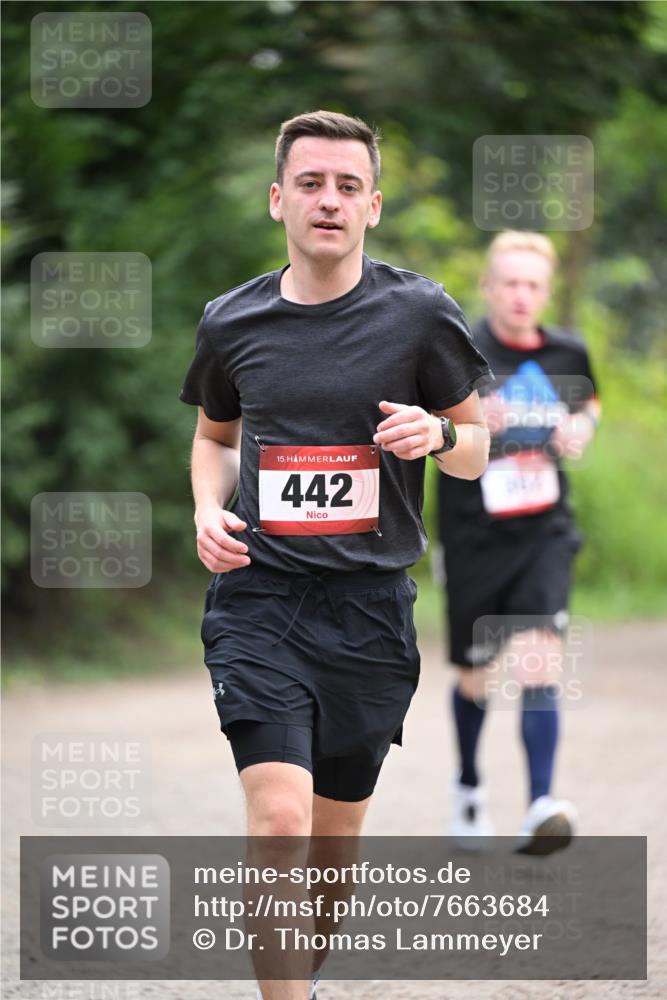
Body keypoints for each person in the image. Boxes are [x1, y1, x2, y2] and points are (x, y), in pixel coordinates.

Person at [179, 110, 492, 999]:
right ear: (278, 197)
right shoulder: (231, 321)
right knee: (278, 819)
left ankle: (300, 975)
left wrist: (433, 431)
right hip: (260, 598)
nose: (328, 200)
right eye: (311, 183)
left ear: (373, 206)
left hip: (368, 612)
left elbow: (476, 450)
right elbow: (214, 438)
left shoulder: (419, 314)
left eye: (347, 186)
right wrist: (208, 507)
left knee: (329, 852)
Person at [437, 231, 600, 856]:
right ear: (488, 287)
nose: (521, 295)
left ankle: (539, 805)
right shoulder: (458, 350)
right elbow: (424, 426)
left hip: (544, 530)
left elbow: (589, 407)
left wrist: (578, 428)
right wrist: (470, 423)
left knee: (538, 657)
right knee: (476, 672)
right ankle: (470, 788)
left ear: (546, 291)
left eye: (533, 285)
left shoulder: (567, 349)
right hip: (473, 533)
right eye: (509, 282)